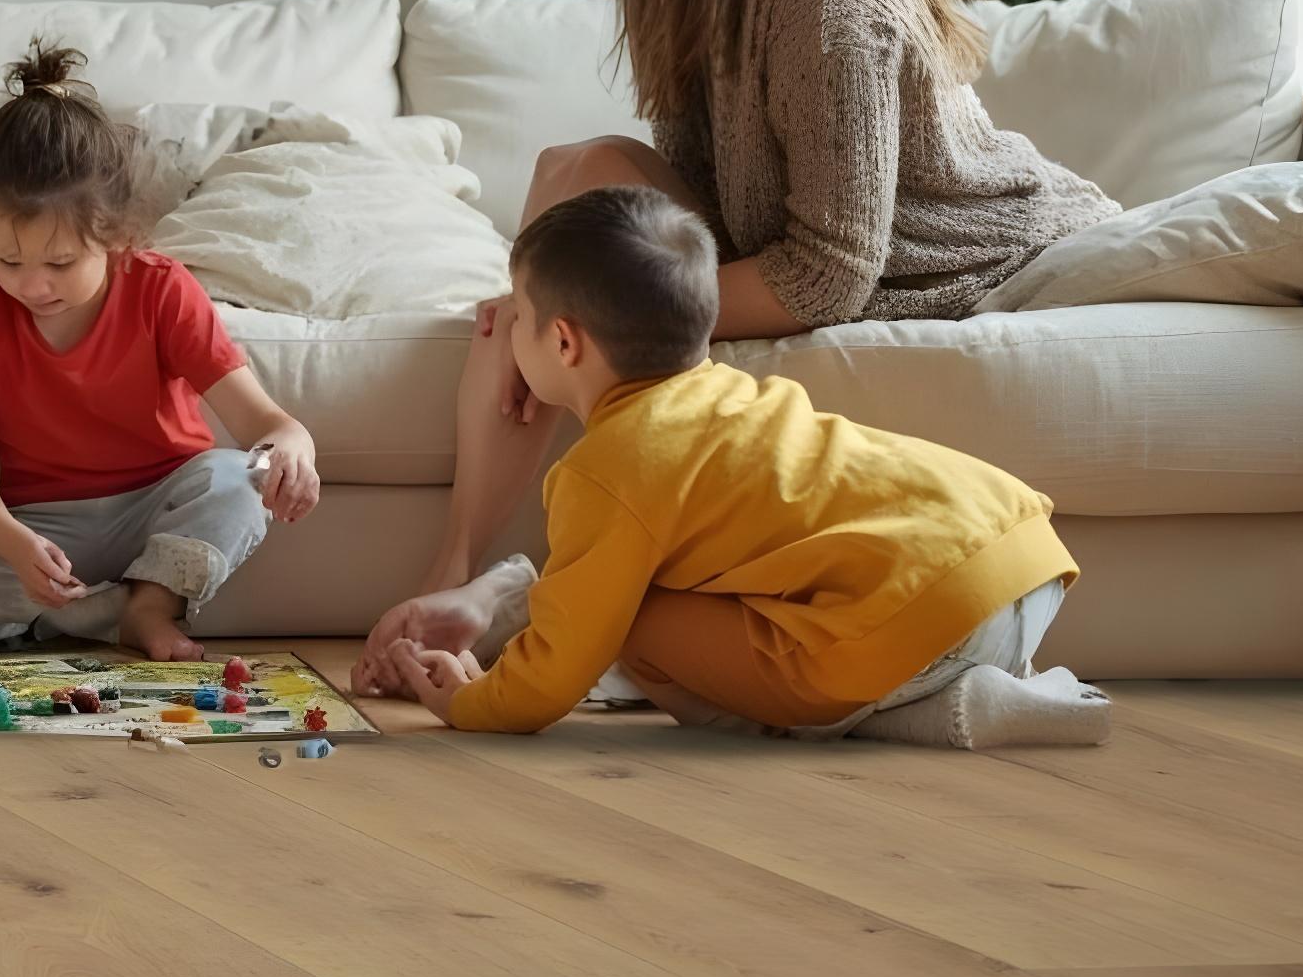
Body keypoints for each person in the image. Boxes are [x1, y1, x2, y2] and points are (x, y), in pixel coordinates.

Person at [360, 0, 1117, 695]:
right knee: (572, 181)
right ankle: (455, 573)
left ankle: (521, 590)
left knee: (553, 286)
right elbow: (702, 191)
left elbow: (830, 268)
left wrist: (591, 319)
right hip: (786, 240)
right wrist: (548, 308)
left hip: (935, 254)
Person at [369, 185, 1110, 747]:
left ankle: (946, 710)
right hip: (1020, 559)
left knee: (636, 623)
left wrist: (469, 704)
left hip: (929, 623)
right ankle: (969, 676)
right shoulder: (727, 401)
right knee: (635, 594)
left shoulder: (606, 468)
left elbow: (558, 669)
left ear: (563, 343)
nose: (513, 333)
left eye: (520, 318)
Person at [0, 45, 319, 661]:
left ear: (116, 236)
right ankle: (100, 611)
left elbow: (266, 425)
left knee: (239, 478)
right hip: (42, 528)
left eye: (61, 262)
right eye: (9, 260)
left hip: (161, 503)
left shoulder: (159, 286)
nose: (33, 285)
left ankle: (148, 605)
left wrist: (292, 448)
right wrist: (15, 545)